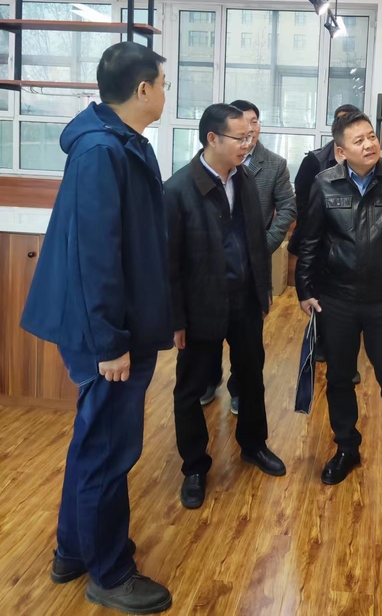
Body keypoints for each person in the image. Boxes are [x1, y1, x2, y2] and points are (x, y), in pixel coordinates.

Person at [21, 42, 173, 614]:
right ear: (142, 89)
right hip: (105, 332)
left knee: (95, 443)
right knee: (109, 451)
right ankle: (110, 573)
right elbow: (96, 257)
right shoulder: (100, 151)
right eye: (162, 83)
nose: (165, 93)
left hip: (117, 323)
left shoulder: (121, 142)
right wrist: (110, 344)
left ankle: (73, 551)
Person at [295, 110, 382, 494]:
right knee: (339, 378)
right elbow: (310, 241)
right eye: (359, 140)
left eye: (371, 136)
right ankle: (346, 448)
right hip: (336, 299)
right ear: (341, 151)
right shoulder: (324, 184)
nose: (370, 144)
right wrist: (304, 289)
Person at [165, 103, 286, 511]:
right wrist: (176, 319)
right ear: (212, 138)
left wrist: (262, 290)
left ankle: (254, 444)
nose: (247, 143)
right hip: (201, 304)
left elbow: (255, 240)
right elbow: (170, 262)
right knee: (191, 387)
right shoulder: (178, 189)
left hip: (244, 299)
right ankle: (194, 467)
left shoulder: (244, 179)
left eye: (250, 136)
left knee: (251, 376)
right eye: (240, 137)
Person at [199, 98, 296, 411]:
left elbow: (288, 208)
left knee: (248, 340)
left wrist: (262, 245)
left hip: (251, 266)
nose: (249, 129)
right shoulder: (207, 164)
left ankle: (240, 390)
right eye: (242, 124)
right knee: (210, 331)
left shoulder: (273, 164)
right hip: (212, 268)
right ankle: (208, 379)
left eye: (254, 122)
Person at [289, 103, 361, 376]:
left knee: (347, 299)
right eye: (342, 122)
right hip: (318, 240)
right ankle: (320, 342)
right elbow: (302, 200)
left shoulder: (363, 160)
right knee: (320, 294)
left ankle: (345, 358)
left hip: (350, 243)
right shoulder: (315, 160)